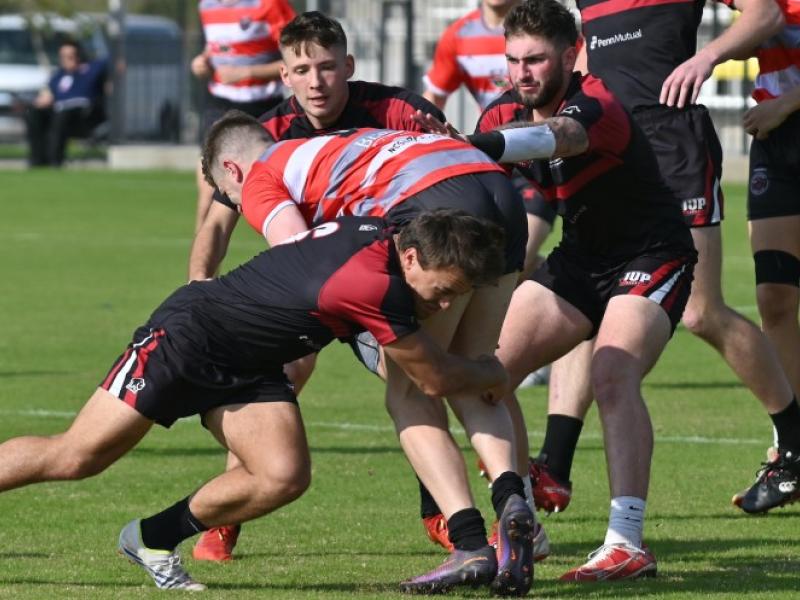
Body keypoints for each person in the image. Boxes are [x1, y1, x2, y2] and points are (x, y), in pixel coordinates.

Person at [0, 208, 516, 592]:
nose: (446, 303)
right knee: (76, 457)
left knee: (282, 476)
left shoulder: (392, 231)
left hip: (249, 362)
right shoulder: (369, 283)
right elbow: (432, 379)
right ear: (410, 257)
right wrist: (491, 370)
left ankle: (151, 538)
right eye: (444, 289)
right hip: (187, 340)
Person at [415, 0, 699, 580]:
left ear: (572, 55)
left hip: (652, 255)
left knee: (612, 373)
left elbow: (558, 137)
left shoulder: (596, 102)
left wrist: (474, 144)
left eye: (537, 59)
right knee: (487, 377)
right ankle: (523, 525)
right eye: (513, 59)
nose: (522, 72)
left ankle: (627, 541)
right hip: (580, 263)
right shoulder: (499, 116)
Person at [202, 112, 535, 595]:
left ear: (231, 171)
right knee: (476, 372)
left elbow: (303, 264)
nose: (237, 205)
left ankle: (468, 543)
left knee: (413, 389)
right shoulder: (333, 144)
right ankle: (512, 499)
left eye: (228, 197)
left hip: (436, 203)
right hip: (494, 185)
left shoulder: (261, 179)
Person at [188, 11, 456, 562]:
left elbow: (452, 173)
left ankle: (446, 517)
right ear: (284, 76)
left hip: (382, 287)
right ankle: (226, 517)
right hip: (301, 293)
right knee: (273, 385)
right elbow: (215, 224)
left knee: (416, 379)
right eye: (302, 69)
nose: (316, 81)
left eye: (328, 67)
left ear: (349, 67)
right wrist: (198, 289)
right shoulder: (268, 135)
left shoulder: (398, 112)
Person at [524, 0, 799, 520]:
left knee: (701, 311)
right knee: (589, 291)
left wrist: (707, 59)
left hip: (674, 146)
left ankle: (794, 440)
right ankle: (554, 465)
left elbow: (766, 13)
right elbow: (586, 61)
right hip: (607, 149)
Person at [423, 0, 557, 286]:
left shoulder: (542, 27)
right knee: (492, 263)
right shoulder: (458, 36)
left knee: (516, 260)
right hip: (493, 160)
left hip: (540, 156)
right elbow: (432, 99)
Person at [731, 2, 800, 514]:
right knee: (774, 298)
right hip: (777, 144)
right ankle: (796, 448)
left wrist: (788, 103)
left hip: (781, 115)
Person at [191, 0, 296, 232]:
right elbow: (216, 49)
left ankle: (290, 255)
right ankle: (202, 268)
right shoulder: (207, 6)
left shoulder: (270, 4)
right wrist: (202, 63)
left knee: (272, 190)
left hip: (262, 106)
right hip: (219, 103)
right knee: (209, 191)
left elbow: (295, 58)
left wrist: (248, 72)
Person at [24, 40, 107, 167]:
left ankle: (55, 161)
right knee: (34, 113)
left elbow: (112, 61)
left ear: (78, 56)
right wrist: (44, 99)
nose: (65, 60)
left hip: (81, 115)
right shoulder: (59, 76)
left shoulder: (90, 70)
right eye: (62, 56)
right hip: (59, 111)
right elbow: (49, 93)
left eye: (69, 56)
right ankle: (37, 160)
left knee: (62, 115)